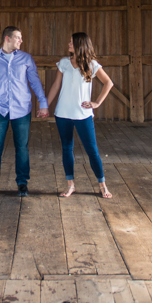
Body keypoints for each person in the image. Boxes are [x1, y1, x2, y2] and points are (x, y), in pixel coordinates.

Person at [0, 26, 48, 197]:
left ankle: (22, 183)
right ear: (7, 39)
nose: (21, 41)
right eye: (18, 37)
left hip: (21, 110)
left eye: (21, 37)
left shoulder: (26, 59)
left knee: (22, 148)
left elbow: (35, 82)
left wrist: (43, 103)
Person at [46, 32, 114, 199]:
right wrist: (45, 104)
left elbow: (108, 83)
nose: (68, 44)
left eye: (71, 42)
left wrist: (96, 103)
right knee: (67, 149)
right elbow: (56, 85)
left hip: (83, 114)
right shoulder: (63, 63)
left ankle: (102, 185)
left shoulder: (92, 64)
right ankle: (70, 185)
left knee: (92, 150)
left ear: (80, 44)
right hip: (62, 114)